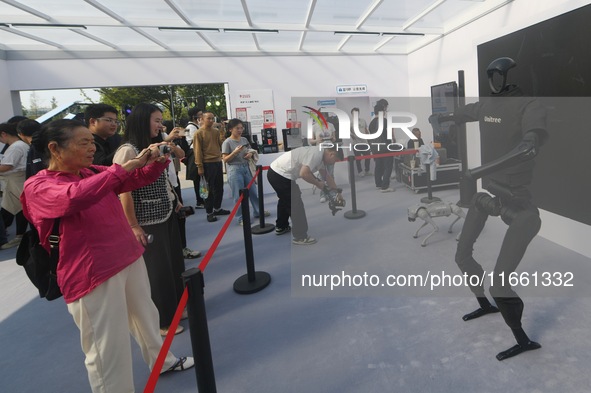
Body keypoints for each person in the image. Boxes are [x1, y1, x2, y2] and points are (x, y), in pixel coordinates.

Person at [21, 119, 193, 393]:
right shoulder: (38, 186)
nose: (92, 147)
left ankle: (163, 360)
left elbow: (134, 180)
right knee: (106, 347)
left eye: (91, 141)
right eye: (84, 143)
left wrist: (157, 161)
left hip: (126, 257)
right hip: (92, 273)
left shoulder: (89, 171)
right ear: (55, 148)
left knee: (146, 317)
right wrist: (125, 168)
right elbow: (74, 198)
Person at [431, 57, 548, 361]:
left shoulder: (530, 105)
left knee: (499, 281)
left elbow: (528, 147)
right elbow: (462, 114)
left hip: (522, 211)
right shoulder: (486, 106)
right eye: (490, 74)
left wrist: (475, 172)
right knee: (462, 253)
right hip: (493, 196)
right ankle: (485, 304)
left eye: (498, 74)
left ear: (509, 75)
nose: (494, 79)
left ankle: (521, 338)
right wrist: (440, 119)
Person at [113, 103, 187, 337]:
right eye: (156, 120)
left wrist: (174, 199)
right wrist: (134, 225)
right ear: (142, 120)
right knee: (158, 270)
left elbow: (162, 177)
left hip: (166, 213)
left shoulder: (153, 146)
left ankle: (175, 308)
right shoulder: (128, 150)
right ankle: (163, 320)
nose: (160, 125)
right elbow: (124, 191)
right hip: (147, 219)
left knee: (173, 263)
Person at [267, 145, 342, 245]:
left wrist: (337, 193)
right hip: (280, 175)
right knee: (295, 204)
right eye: (335, 160)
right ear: (331, 154)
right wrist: (318, 183)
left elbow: (327, 176)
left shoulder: (320, 156)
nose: (333, 163)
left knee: (285, 199)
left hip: (276, 173)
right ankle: (300, 237)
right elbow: (304, 173)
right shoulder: (316, 154)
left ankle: (281, 226)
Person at [161, 120, 201, 259]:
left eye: (161, 121)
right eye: (156, 121)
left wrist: (172, 142)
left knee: (180, 216)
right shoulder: (137, 144)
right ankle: (171, 252)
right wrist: (166, 140)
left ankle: (182, 247)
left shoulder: (164, 135)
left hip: (173, 182)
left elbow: (181, 153)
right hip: (159, 188)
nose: (160, 125)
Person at [221, 118, 270, 225]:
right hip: (234, 169)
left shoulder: (244, 140)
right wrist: (235, 152)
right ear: (230, 129)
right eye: (237, 128)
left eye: (241, 128)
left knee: (253, 191)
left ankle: (258, 211)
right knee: (238, 195)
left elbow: (250, 150)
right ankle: (241, 217)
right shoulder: (227, 142)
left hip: (246, 167)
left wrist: (250, 154)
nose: (240, 130)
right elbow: (225, 159)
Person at [193, 111, 230, 222]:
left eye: (212, 118)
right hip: (207, 164)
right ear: (202, 119)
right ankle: (209, 212)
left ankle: (217, 208)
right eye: (208, 118)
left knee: (219, 187)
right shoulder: (198, 133)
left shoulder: (215, 131)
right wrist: (199, 166)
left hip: (217, 162)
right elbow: (197, 151)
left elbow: (220, 144)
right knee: (208, 189)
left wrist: (222, 131)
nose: (211, 120)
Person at [0, 122, 30, 249]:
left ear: (4, 134)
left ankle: (18, 235)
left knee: (13, 207)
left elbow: (7, 166)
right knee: (18, 208)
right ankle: (19, 235)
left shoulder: (15, 147)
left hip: (15, 180)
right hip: (18, 180)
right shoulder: (20, 145)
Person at [308, 112, 336, 203]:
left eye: (324, 116)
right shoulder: (314, 126)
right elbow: (310, 141)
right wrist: (317, 140)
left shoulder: (331, 125)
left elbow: (335, 139)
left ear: (327, 117)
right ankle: (323, 194)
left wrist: (332, 138)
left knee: (330, 173)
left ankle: (332, 193)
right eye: (321, 117)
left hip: (330, 150)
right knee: (322, 175)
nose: (323, 118)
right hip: (320, 152)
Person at [370, 99, 395, 192]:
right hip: (385, 147)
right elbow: (388, 135)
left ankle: (378, 183)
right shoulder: (384, 121)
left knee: (378, 166)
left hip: (375, 148)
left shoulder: (371, 123)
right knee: (388, 166)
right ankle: (385, 186)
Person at [185, 107, 205, 209]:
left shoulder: (195, 126)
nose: (202, 116)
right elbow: (195, 140)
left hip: (198, 153)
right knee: (197, 179)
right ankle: (200, 200)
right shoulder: (190, 127)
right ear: (194, 116)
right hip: (194, 154)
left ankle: (203, 198)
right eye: (200, 114)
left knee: (201, 178)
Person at [350, 107, 372, 177]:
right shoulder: (351, 123)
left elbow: (366, 130)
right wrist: (354, 137)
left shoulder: (363, 121)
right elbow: (349, 132)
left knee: (368, 156)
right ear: (352, 114)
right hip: (356, 144)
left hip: (365, 143)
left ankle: (367, 171)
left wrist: (369, 138)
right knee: (358, 158)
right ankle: (360, 171)